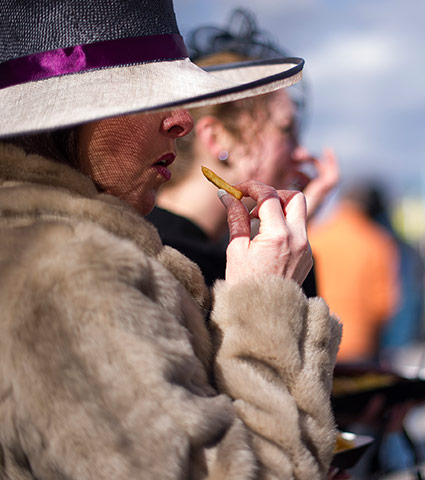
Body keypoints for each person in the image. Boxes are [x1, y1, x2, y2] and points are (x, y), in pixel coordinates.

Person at [0, 1, 342, 479]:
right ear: (64, 116)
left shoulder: (50, 250)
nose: (181, 121)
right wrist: (266, 303)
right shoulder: (67, 275)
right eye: (149, 94)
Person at [147, 8, 339, 294]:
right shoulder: (161, 263)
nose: (300, 154)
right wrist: (277, 284)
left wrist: (291, 243)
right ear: (219, 137)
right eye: (286, 130)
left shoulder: (201, 252)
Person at [309, 180, 400, 364]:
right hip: (360, 347)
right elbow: (383, 305)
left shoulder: (314, 236)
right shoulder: (378, 243)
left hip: (317, 345)